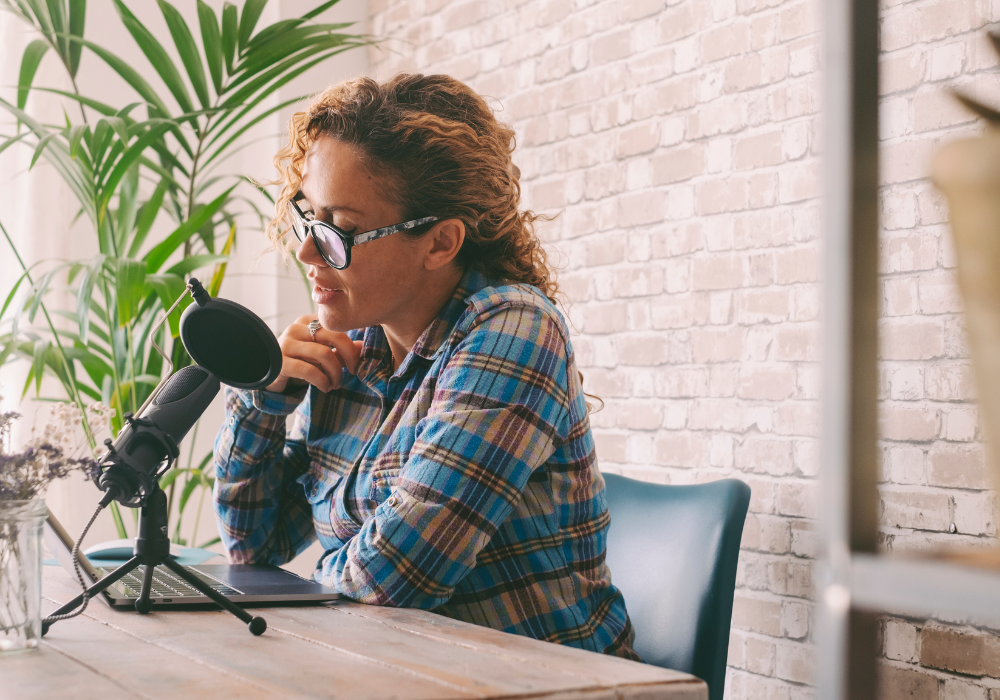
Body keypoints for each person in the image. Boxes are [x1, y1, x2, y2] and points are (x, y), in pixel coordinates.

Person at [213, 74, 639, 660]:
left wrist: (319, 577)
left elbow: (395, 581)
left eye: (341, 230)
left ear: (440, 243)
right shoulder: (352, 344)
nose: (308, 251)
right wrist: (264, 394)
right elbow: (252, 545)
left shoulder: (514, 329)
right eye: (307, 217)